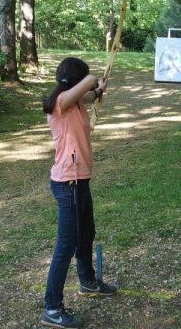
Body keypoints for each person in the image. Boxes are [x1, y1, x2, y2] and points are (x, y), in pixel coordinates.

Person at [40, 57, 117, 329]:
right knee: (66, 245)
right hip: (67, 183)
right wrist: (91, 79)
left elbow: (89, 92)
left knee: (86, 234)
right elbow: (84, 85)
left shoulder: (75, 103)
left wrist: (99, 90)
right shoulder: (60, 103)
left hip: (80, 180)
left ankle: (87, 281)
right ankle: (51, 307)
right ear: (74, 81)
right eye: (81, 80)